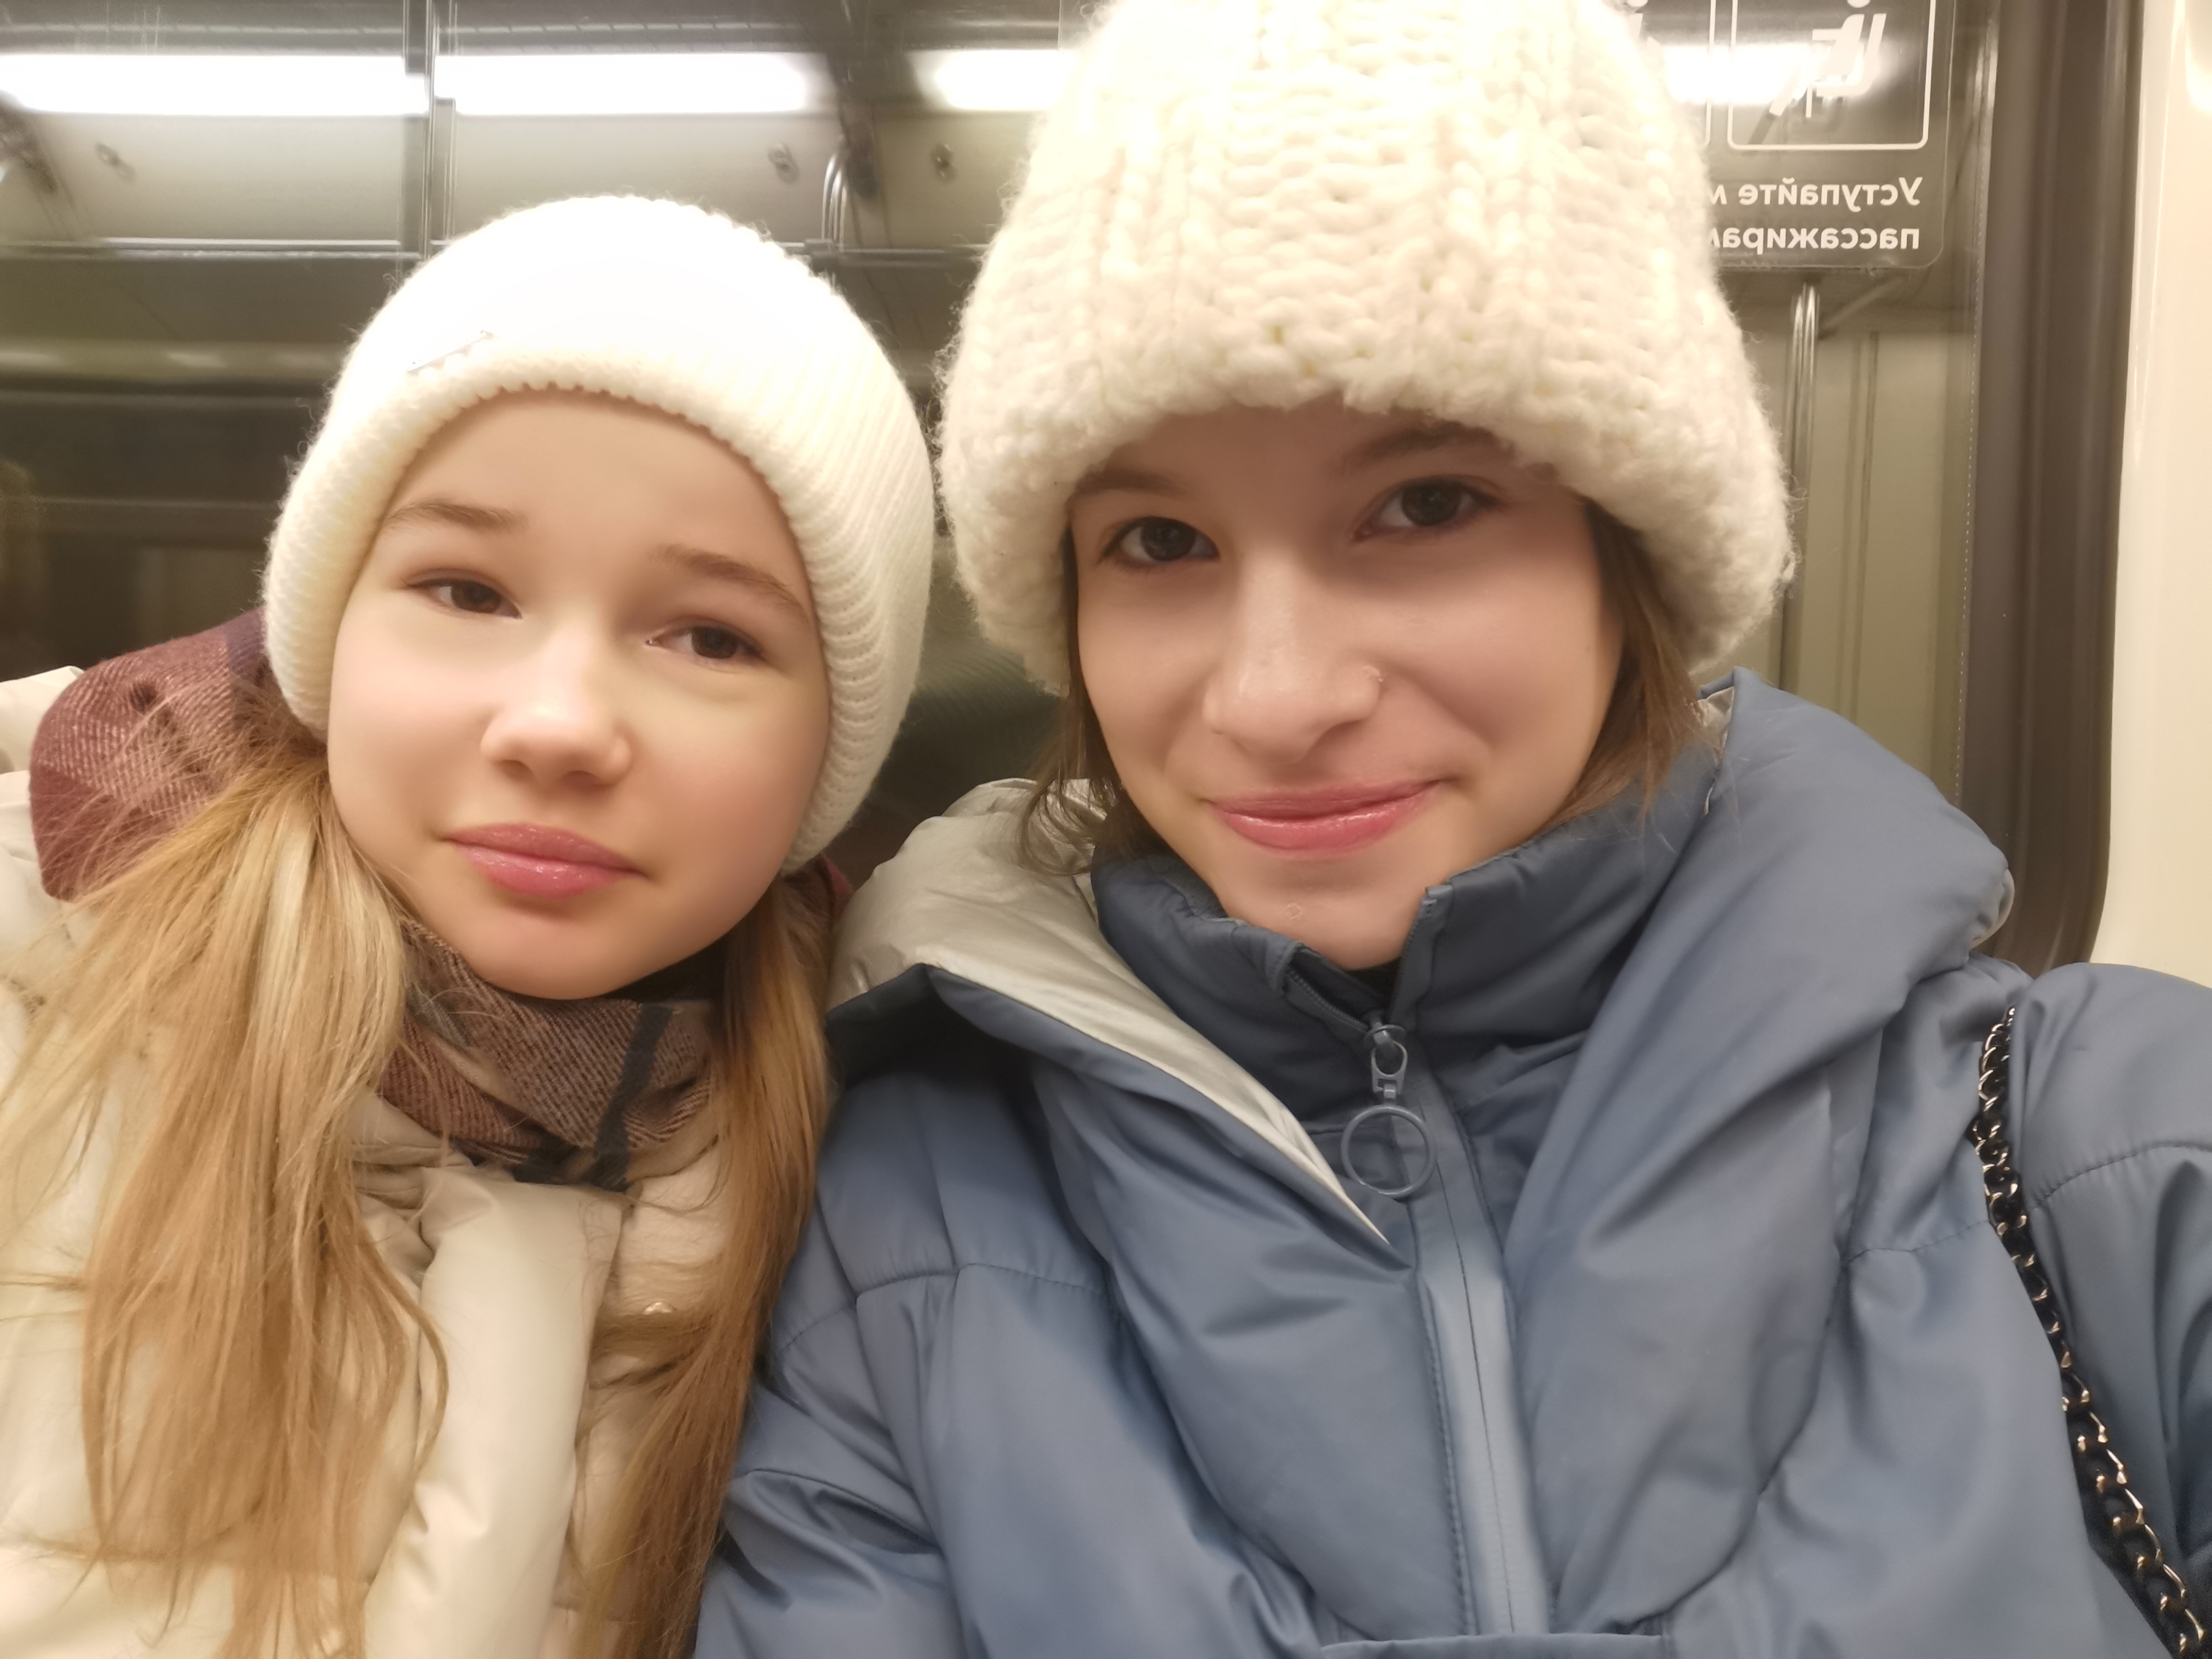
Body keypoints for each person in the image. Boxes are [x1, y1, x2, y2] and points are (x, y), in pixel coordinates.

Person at [695, 2, 2212, 1655]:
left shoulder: (2111, 1163)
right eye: (1161, 542)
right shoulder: (903, 1227)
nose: (1275, 697)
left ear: (1630, 556)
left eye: (1424, 506)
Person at [0, 196, 933, 1659]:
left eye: (711, 635)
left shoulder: (878, 1155)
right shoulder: (43, 992)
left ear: (834, 746)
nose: (558, 723)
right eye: (466, 590)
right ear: (330, 633)